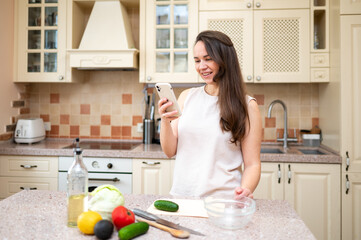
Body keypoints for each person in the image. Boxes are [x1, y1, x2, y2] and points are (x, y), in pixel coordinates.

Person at [157, 30, 262, 199]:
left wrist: (245, 190)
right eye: (197, 61)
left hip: (224, 201)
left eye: (208, 59)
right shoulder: (187, 97)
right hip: (183, 197)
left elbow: (253, 164)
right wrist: (164, 121)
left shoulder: (247, 106)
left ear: (225, 60)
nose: (201, 66)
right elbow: (169, 151)